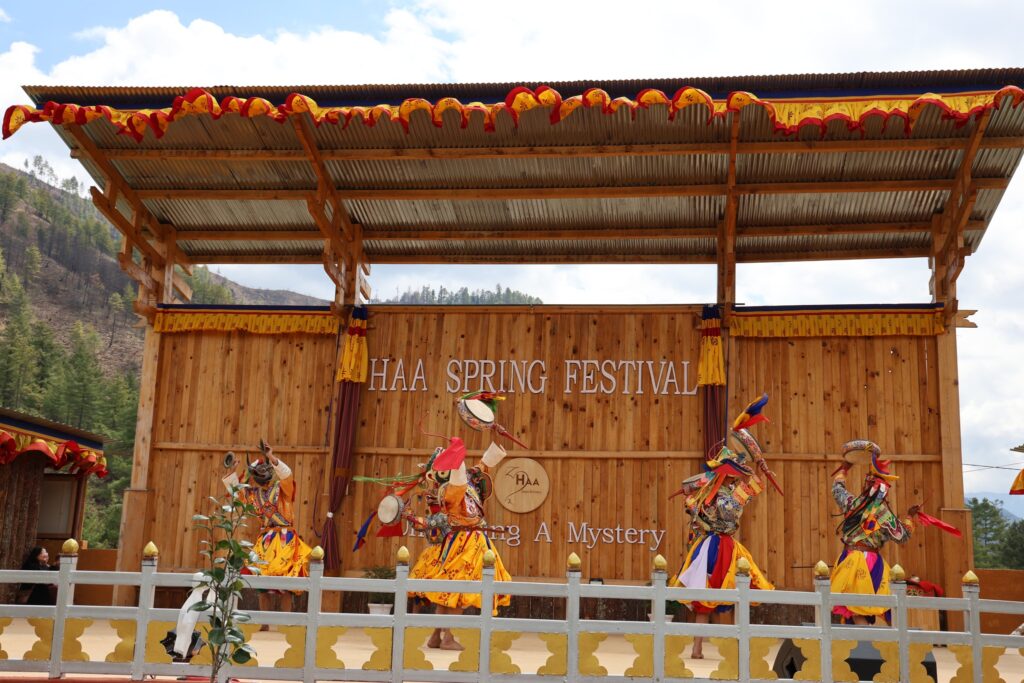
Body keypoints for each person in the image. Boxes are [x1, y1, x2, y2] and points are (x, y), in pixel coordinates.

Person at [672, 395, 777, 659]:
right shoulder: (726, 496)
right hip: (723, 547)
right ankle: (729, 650)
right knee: (728, 595)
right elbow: (734, 508)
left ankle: (698, 648)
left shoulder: (706, 493)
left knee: (705, 600)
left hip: (705, 546)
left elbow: (692, 506)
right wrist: (755, 476)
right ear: (731, 475)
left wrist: (754, 474)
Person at [405, 439, 512, 650]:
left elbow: (479, 469)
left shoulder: (466, 484)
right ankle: (448, 637)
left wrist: (493, 453)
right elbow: (461, 481)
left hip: (464, 541)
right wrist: (456, 457)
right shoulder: (450, 492)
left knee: (448, 592)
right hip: (465, 543)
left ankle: (436, 637)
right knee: (460, 591)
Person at [830, 440, 915, 626]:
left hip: (851, 558)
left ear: (866, 486)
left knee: (855, 607)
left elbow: (837, 490)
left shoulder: (853, 504)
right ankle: (880, 638)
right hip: (874, 561)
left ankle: (862, 639)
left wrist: (844, 470)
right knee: (878, 604)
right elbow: (903, 536)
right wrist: (910, 517)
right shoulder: (884, 514)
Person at [223, 443, 312, 616]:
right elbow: (235, 491)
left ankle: (285, 622)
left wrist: (271, 457)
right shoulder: (252, 495)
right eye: (259, 472)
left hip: (286, 539)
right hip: (266, 541)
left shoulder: (283, 488)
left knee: (287, 586)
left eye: (266, 470)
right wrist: (232, 470)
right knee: (262, 585)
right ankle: (265, 623)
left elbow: (287, 474)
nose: (263, 474)